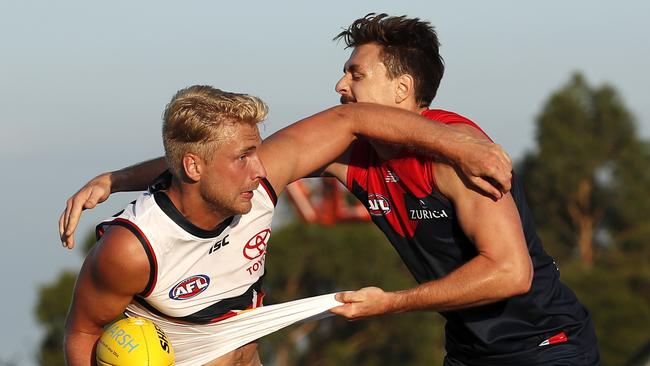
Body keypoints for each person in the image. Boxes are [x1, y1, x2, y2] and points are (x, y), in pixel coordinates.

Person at [62, 85, 512, 366]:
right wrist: (120, 182)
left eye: (257, 151)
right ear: (195, 167)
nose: (262, 168)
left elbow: (350, 119)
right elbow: (82, 333)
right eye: (243, 157)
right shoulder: (133, 248)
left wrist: (459, 145)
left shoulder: (255, 184)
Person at [323, 14, 600, 365]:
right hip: (468, 352)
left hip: (545, 346)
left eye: (356, 74)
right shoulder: (355, 154)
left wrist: (392, 302)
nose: (340, 85)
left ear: (402, 89)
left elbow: (511, 273)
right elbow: (270, 163)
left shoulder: (459, 155)